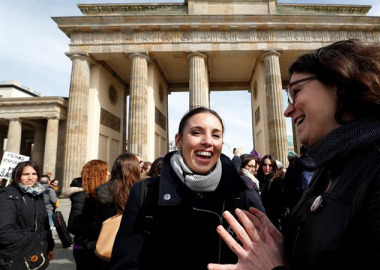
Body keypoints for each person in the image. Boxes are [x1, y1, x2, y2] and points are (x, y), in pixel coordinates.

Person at [207, 39, 380, 270]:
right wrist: (289, 249)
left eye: (296, 92)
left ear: (341, 83)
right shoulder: (336, 167)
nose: (287, 111)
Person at [110, 106, 265, 269]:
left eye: (216, 135)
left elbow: (264, 256)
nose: (207, 141)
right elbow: (126, 264)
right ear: (178, 140)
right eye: (196, 132)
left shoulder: (241, 191)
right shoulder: (146, 192)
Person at [0, 161, 55, 267]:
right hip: (15, 254)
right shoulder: (7, 195)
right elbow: (3, 232)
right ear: (18, 175)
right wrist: (32, 242)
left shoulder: (37, 194)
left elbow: (44, 224)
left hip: (36, 253)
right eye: (26, 174)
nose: (31, 178)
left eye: (34, 174)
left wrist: (50, 246)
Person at [64, 160, 110, 270]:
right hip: (87, 248)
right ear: (97, 174)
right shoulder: (82, 195)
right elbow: (73, 225)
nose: (109, 173)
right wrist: (100, 228)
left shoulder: (101, 194)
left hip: (96, 246)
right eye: (105, 171)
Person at [283, 145, 315, 211]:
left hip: (296, 205)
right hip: (314, 204)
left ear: (300, 154)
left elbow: (286, 187)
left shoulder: (292, 168)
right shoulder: (319, 167)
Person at [257, 155, 285, 230]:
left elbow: (279, 202)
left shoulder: (276, 182)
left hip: (272, 218)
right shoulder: (257, 180)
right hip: (259, 217)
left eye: (270, 165)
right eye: (265, 165)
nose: (267, 168)